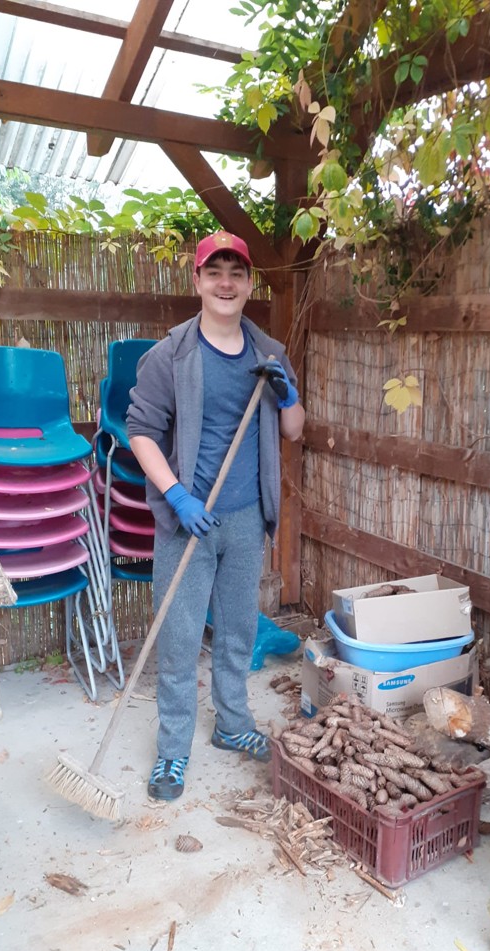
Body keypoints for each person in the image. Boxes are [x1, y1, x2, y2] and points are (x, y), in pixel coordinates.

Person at [126, 230, 305, 801]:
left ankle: (232, 725)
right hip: (188, 521)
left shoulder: (268, 352)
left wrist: (288, 396)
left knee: (237, 631)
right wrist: (177, 495)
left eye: (236, 273)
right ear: (198, 281)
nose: (225, 283)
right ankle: (173, 750)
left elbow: (293, 430)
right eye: (214, 272)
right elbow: (140, 432)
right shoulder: (171, 355)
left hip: (246, 516)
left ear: (249, 284)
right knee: (179, 640)